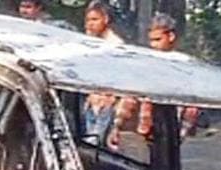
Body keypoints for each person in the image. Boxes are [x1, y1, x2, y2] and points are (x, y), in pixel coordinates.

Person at [108, 13, 199, 148]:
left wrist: (182, 134)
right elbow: (131, 95)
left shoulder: (184, 65)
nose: (154, 45)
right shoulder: (148, 64)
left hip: (171, 128)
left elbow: (192, 104)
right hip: (145, 130)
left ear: (171, 37)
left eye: (158, 40)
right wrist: (116, 126)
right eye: (151, 41)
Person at [82, 1, 124, 146]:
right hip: (91, 100)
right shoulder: (90, 43)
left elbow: (119, 74)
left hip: (107, 101)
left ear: (105, 19)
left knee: (96, 144)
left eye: (94, 19)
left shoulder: (115, 45)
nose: (90, 24)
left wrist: (112, 98)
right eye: (88, 20)